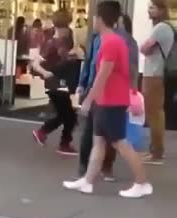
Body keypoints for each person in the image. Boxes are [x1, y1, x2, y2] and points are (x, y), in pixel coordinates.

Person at [63, 1, 152, 198]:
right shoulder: (106, 40)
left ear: (100, 19)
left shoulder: (112, 42)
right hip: (105, 100)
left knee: (120, 143)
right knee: (99, 142)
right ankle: (87, 181)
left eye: (94, 17)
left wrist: (87, 101)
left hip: (112, 101)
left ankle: (142, 182)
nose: (93, 20)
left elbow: (103, 75)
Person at [32, 10, 78, 156]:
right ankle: (50, 136)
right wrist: (46, 73)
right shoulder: (51, 43)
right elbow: (36, 63)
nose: (67, 29)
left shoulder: (66, 39)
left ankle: (54, 138)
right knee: (68, 115)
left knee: (66, 115)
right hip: (56, 83)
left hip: (62, 82)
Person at [140, 0, 174, 165]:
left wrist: (145, 48)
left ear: (161, 10)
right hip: (155, 74)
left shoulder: (161, 28)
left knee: (154, 114)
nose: (149, 11)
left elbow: (144, 48)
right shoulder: (164, 27)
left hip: (154, 74)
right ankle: (155, 149)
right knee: (155, 113)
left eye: (152, 8)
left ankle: (157, 152)